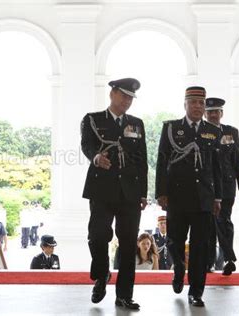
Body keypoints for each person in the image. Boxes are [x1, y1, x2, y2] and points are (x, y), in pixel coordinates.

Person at [81, 78, 148, 310]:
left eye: (131, 97)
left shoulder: (137, 124)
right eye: (123, 95)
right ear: (112, 94)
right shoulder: (93, 119)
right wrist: (96, 157)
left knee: (129, 244)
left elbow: (142, 161)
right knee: (98, 236)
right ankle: (101, 274)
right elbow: (87, 145)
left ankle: (124, 296)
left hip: (130, 192)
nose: (127, 101)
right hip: (101, 190)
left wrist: (143, 193)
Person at [155, 86, 222, 307]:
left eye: (201, 103)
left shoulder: (213, 131)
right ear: (185, 104)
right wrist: (161, 192)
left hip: (204, 198)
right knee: (175, 241)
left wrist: (218, 197)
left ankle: (196, 292)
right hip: (177, 196)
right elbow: (162, 162)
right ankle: (178, 267)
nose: (197, 106)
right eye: (193, 102)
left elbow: (216, 167)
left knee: (201, 246)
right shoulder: (172, 128)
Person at [204, 97, 239, 276]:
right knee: (208, 225)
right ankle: (210, 262)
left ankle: (228, 259)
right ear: (205, 114)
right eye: (210, 112)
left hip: (227, 185)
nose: (213, 115)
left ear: (221, 113)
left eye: (217, 111)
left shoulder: (230, 132)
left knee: (223, 220)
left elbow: (237, 159)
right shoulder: (200, 131)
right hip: (207, 186)